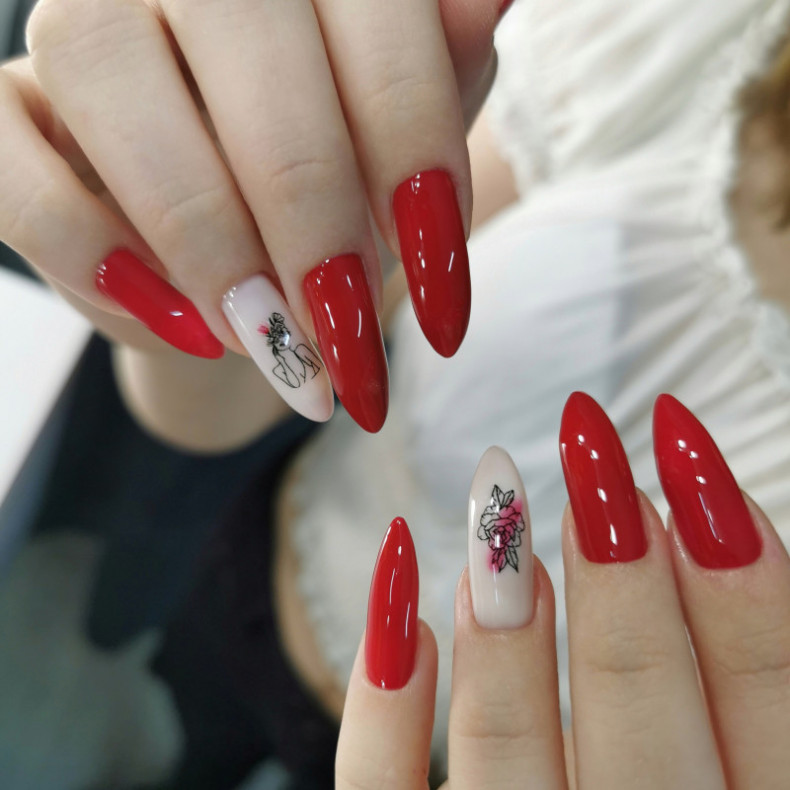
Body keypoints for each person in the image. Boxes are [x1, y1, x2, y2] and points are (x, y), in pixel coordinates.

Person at [1, 0, 790, 785]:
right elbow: (269, 372)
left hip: (412, 765)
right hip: (254, 545)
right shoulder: (694, 42)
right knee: (156, 686)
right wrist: (206, 256)